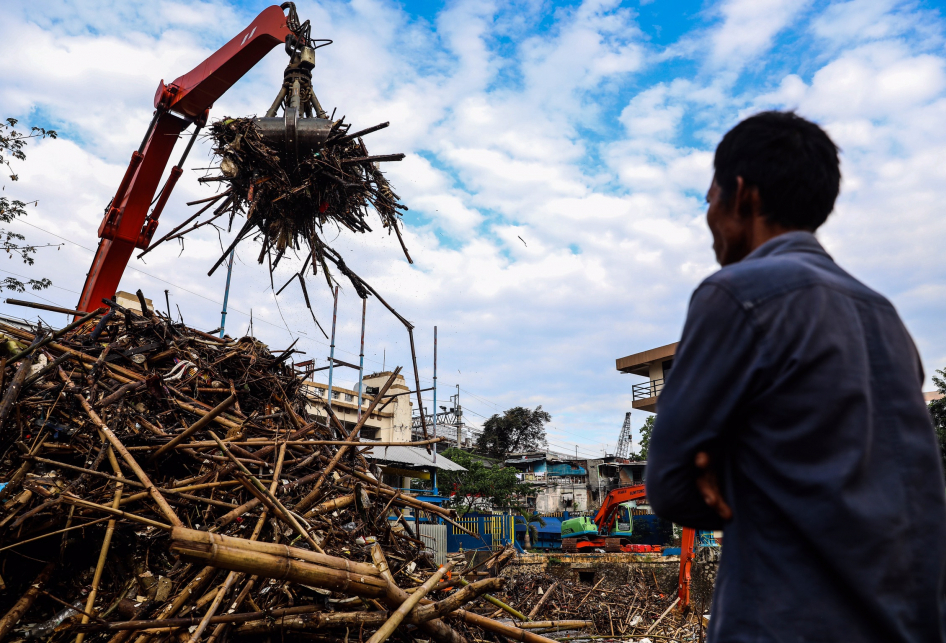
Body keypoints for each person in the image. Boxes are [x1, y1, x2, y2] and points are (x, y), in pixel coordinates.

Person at [646, 111, 946, 642]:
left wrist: (727, 470)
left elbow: (671, 487)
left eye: (709, 198)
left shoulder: (735, 294)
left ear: (742, 194)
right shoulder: (884, 317)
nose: (709, 215)